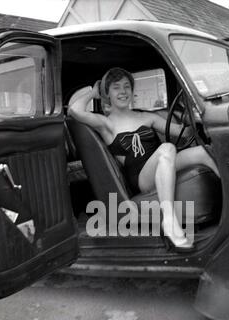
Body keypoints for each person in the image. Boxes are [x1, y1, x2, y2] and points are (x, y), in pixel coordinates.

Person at [69, 67, 219, 250]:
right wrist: (94, 92)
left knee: (206, 152)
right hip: (141, 178)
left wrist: (192, 119)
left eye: (127, 86)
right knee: (166, 149)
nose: (123, 91)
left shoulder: (147, 116)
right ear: (107, 93)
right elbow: (74, 111)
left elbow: (184, 134)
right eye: (116, 87)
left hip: (163, 162)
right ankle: (169, 220)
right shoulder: (106, 123)